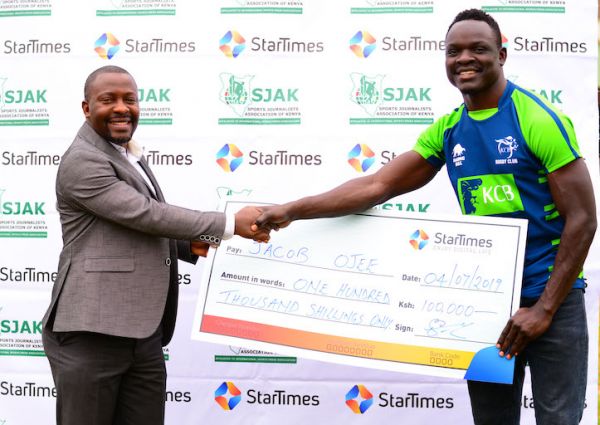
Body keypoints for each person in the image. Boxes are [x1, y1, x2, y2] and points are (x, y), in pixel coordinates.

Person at [254, 9, 597, 425]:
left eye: (478, 49)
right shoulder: (450, 130)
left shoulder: (537, 119)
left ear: (502, 55)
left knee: (558, 421)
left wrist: (543, 310)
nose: (464, 58)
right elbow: (377, 186)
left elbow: (583, 218)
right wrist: (291, 210)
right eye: (454, 51)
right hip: (487, 309)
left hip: (552, 303)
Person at [41, 65, 270, 425]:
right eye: (108, 100)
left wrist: (191, 244)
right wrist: (227, 224)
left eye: (129, 99)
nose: (121, 107)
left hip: (143, 335)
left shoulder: (126, 153)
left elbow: (129, 228)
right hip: (93, 332)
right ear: (86, 109)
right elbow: (145, 214)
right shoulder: (83, 160)